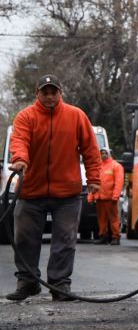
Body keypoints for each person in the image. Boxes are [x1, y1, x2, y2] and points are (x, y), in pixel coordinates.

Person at [5, 75, 101, 301]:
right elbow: (19, 140)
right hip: (30, 191)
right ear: (37, 92)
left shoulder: (76, 116)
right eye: (45, 92)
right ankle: (27, 283)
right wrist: (20, 159)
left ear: (61, 93)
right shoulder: (26, 117)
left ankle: (59, 286)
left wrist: (94, 179)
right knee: (25, 239)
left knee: (65, 241)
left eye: (53, 92)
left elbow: (90, 150)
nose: (49, 96)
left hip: (67, 193)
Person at [90, 147, 124, 245]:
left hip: (110, 198)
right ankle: (103, 236)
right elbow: (94, 182)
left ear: (110, 154)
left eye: (105, 153)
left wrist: (115, 195)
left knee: (113, 219)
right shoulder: (98, 167)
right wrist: (91, 196)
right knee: (101, 219)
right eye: (102, 153)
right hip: (100, 198)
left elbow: (119, 182)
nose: (103, 155)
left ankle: (115, 237)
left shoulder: (116, 166)